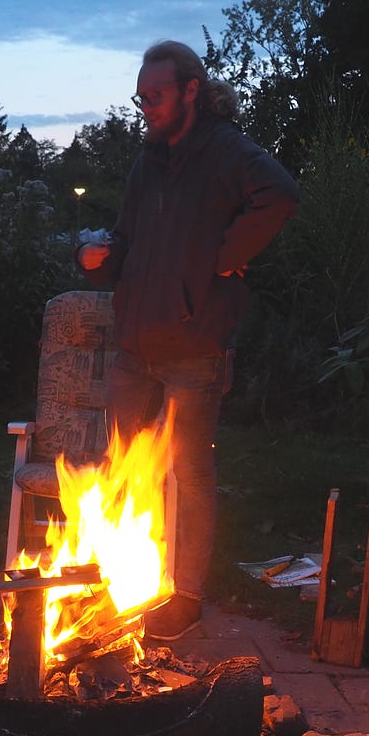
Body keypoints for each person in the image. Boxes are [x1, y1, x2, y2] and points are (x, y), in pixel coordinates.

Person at [77, 40, 299, 642]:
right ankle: (117, 578)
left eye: (156, 95)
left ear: (191, 90)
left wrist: (224, 257)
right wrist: (97, 259)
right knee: (120, 463)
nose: (146, 106)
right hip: (135, 345)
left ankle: (187, 597)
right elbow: (127, 242)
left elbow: (280, 195)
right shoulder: (147, 162)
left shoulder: (225, 151)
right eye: (140, 97)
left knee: (191, 475)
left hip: (195, 345)